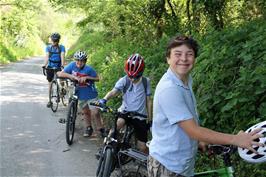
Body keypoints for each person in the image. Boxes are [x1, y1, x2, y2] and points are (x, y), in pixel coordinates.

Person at [148, 35, 264, 177]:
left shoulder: (185, 79)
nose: (184, 59)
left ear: (194, 58)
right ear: (168, 58)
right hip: (168, 166)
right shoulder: (169, 89)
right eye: (177, 54)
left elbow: (187, 118)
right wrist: (236, 139)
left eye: (189, 54)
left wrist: (200, 140)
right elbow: (193, 131)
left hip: (181, 163)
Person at [98, 53, 152, 153]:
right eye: (130, 76)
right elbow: (114, 91)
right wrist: (104, 99)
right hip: (125, 111)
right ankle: (105, 149)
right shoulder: (124, 80)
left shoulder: (146, 82)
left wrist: (150, 118)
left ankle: (150, 161)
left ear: (141, 73)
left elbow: (149, 100)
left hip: (140, 115)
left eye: (135, 77)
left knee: (142, 147)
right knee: (117, 125)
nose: (132, 79)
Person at [57, 50, 106, 138]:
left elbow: (97, 78)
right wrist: (72, 77)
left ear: (85, 61)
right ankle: (88, 127)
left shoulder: (89, 69)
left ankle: (101, 128)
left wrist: (87, 77)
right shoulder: (72, 65)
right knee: (85, 112)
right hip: (79, 93)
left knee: (95, 112)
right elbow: (61, 73)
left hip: (91, 94)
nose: (79, 62)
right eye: (77, 60)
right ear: (75, 60)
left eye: (82, 61)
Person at [43, 32, 66, 108]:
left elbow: (62, 56)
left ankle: (62, 90)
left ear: (58, 41)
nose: (54, 42)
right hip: (50, 67)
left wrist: (62, 65)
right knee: (50, 84)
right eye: (53, 41)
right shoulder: (48, 47)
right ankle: (50, 101)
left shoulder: (62, 47)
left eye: (55, 41)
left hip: (59, 67)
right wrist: (44, 65)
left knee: (62, 81)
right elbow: (47, 57)